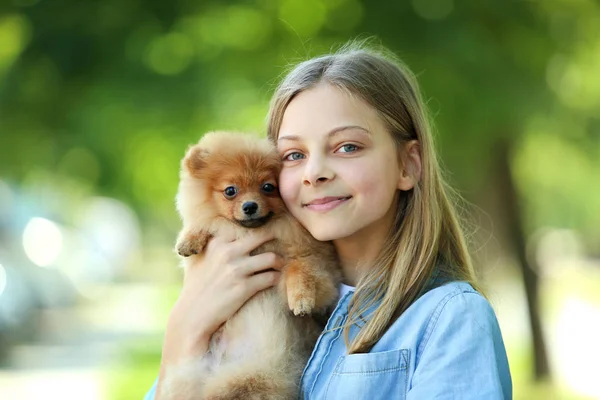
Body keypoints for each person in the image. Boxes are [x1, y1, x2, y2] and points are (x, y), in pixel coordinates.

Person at [145, 41, 512, 399]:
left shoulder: (449, 319)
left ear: (408, 165)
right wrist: (185, 331)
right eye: (293, 154)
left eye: (347, 147)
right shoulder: (245, 293)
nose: (314, 172)